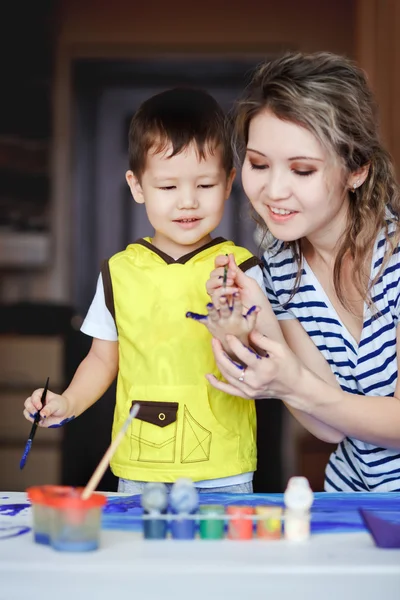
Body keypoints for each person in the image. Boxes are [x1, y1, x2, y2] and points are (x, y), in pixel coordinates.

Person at [23, 88, 264, 494]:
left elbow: (262, 357)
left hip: (223, 467)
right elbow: (102, 361)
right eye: (168, 188)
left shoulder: (240, 269)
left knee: (215, 559)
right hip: (138, 464)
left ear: (228, 184)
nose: (187, 202)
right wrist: (68, 403)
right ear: (137, 187)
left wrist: (235, 325)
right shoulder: (119, 272)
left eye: (204, 185)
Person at [194, 51, 400, 492]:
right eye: (259, 164)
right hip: (352, 500)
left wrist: (292, 383)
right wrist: (258, 316)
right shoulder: (280, 269)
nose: (273, 191)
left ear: (357, 169)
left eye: (302, 170)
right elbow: (328, 427)